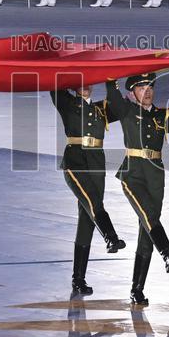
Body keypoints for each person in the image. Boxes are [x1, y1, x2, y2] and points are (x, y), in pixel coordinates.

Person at [105, 73, 169, 306]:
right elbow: (111, 92)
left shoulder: (163, 115)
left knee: (147, 232)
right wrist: (111, 71)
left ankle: (137, 290)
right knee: (150, 217)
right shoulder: (126, 110)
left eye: (150, 86)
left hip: (155, 175)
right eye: (141, 87)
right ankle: (168, 254)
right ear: (132, 93)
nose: (148, 90)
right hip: (132, 174)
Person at [50, 82, 127, 296]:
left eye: (89, 82)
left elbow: (121, 108)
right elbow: (54, 84)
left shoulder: (100, 109)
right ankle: (110, 237)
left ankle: (78, 280)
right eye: (81, 82)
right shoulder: (66, 102)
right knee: (93, 202)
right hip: (75, 160)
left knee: (88, 218)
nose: (86, 86)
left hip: (96, 162)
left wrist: (113, 80)